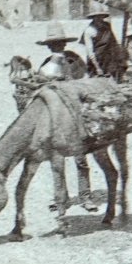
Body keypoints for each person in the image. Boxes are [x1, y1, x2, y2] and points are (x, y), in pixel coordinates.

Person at [34, 21, 96, 212]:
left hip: (75, 112)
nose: (57, 47)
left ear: (64, 44)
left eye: (59, 43)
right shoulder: (46, 65)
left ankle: (85, 196)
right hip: (55, 115)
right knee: (56, 158)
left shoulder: (75, 61)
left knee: (80, 157)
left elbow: (83, 83)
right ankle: (61, 198)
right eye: (53, 45)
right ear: (49, 46)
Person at [80, 1, 123, 80]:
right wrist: (97, 68)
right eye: (97, 17)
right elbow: (90, 52)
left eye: (101, 16)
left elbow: (113, 43)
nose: (99, 19)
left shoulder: (107, 26)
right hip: (96, 61)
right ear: (93, 17)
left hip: (109, 60)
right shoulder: (89, 30)